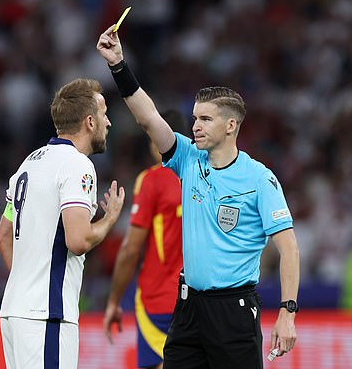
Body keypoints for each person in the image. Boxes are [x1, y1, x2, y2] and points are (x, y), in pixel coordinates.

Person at [97, 26, 300, 369]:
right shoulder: (188, 159)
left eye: (206, 119)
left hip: (233, 311)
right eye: (194, 118)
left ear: (231, 125)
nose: (196, 126)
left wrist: (287, 311)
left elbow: (289, 247)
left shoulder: (259, 179)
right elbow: (148, 118)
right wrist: (118, 65)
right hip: (188, 308)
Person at [0, 78, 125, 369]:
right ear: (90, 121)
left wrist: (28, 285)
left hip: (15, 312)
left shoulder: (28, 163)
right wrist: (109, 220)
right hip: (46, 314)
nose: (109, 123)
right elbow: (78, 241)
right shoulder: (77, 165)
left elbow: (3, 236)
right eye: (104, 114)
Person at [103, 109, 189, 369]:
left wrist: (114, 302)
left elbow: (130, 249)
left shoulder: (153, 180)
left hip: (161, 300)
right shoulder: (207, 176)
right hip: (202, 300)